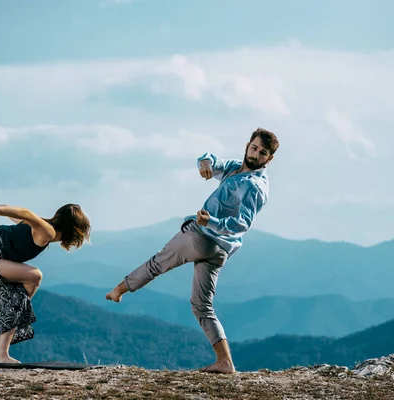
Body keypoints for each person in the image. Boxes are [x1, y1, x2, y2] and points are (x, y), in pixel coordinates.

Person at [106, 127, 279, 374]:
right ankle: (225, 362)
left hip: (202, 236)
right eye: (254, 147)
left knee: (158, 264)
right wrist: (205, 163)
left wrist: (211, 222)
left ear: (269, 159)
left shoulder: (254, 186)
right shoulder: (236, 168)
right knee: (201, 305)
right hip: (219, 251)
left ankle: (118, 290)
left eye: (262, 153)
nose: (255, 154)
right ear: (248, 145)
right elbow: (212, 160)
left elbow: (242, 223)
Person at [0, 192, 91, 364]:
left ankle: (1, 354)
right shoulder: (47, 231)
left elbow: (14, 213)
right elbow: (25, 212)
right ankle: (16, 313)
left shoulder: (41, 226)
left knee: (16, 297)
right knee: (34, 277)